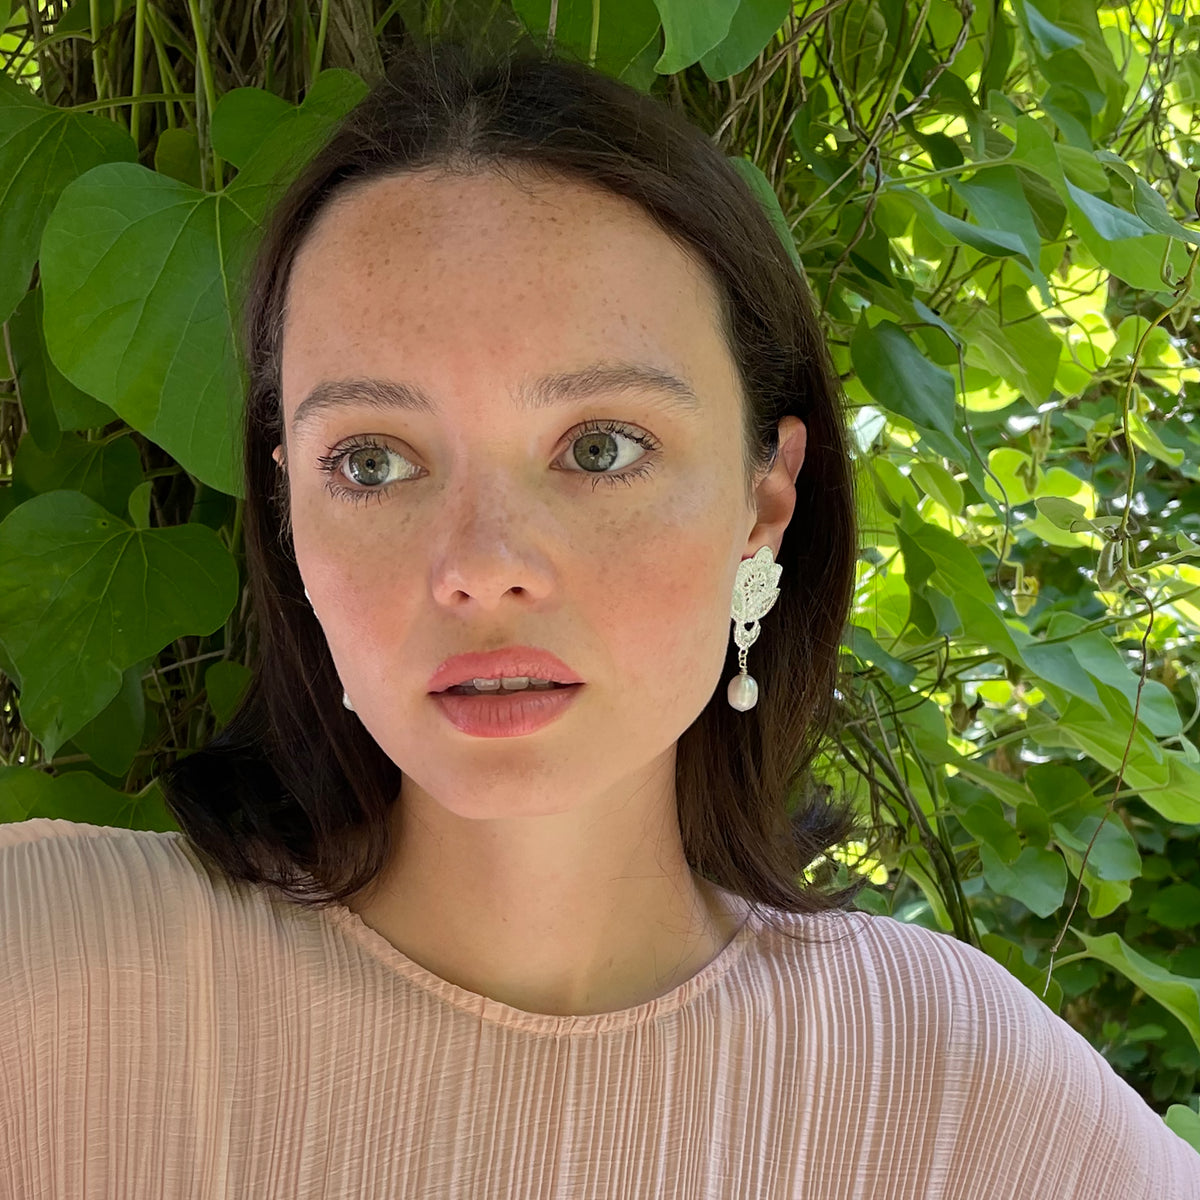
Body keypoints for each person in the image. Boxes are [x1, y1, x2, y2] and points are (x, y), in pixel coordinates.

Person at [3, 30, 1198, 1200]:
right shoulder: (39, 977)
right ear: (289, 511)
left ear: (764, 498)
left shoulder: (954, 1101)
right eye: (371, 462)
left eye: (602, 446)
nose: (482, 566)